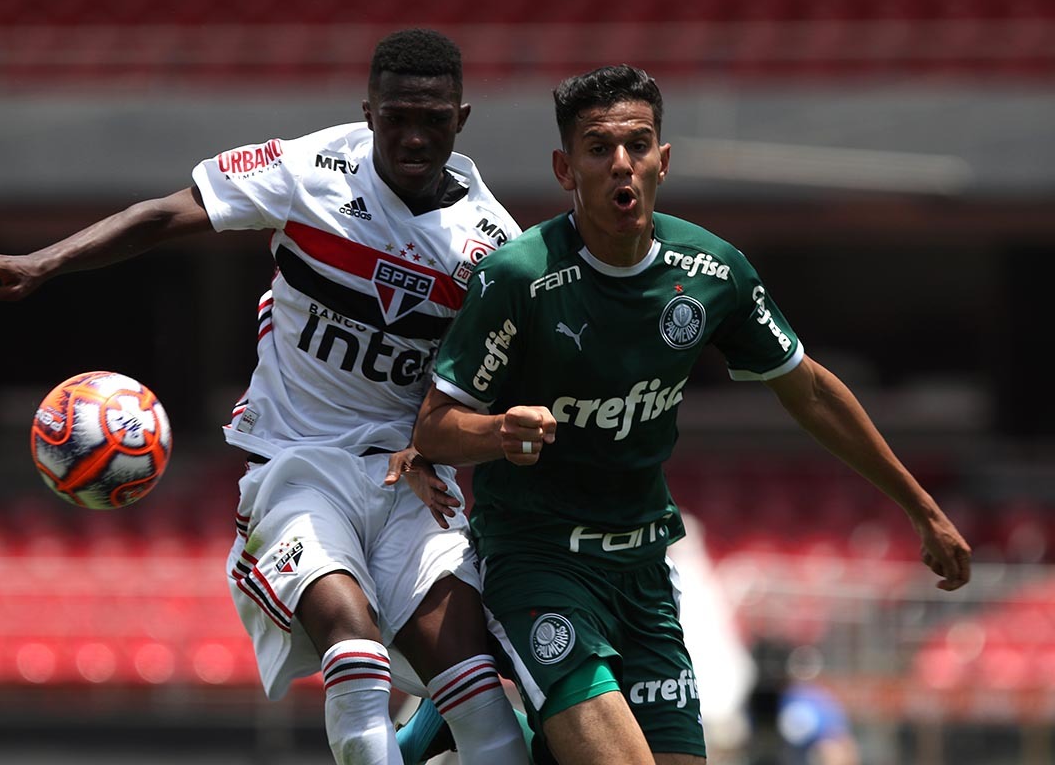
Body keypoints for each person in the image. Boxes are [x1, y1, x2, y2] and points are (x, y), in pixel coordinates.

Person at [0, 28, 530, 765]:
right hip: (297, 465)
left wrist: (439, 445)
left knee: (479, 699)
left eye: (432, 119)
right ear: (367, 111)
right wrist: (43, 263)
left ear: (461, 119)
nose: (413, 135)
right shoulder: (308, 170)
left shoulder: (494, 247)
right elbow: (164, 213)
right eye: (396, 116)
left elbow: (486, 387)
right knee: (356, 652)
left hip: (407, 480)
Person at [407, 65, 972, 765]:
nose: (622, 163)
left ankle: (452, 736)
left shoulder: (712, 272)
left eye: (638, 145)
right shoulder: (518, 279)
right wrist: (500, 432)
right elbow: (433, 429)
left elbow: (811, 391)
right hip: (538, 562)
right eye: (598, 147)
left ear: (662, 162)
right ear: (564, 168)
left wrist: (921, 508)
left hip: (645, 578)